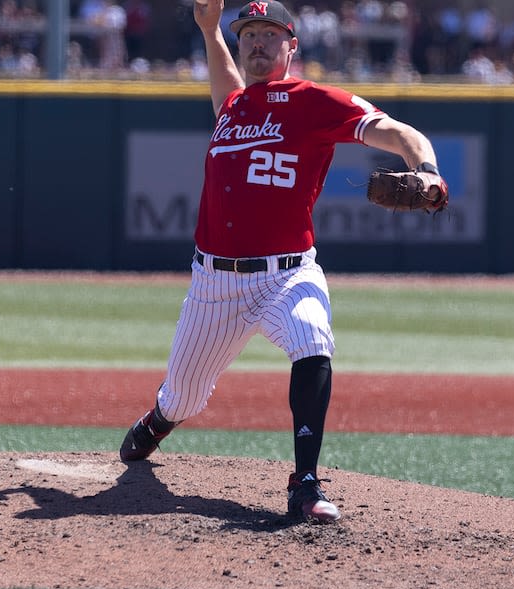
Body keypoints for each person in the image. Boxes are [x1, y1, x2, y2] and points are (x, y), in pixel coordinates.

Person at [118, 0, 446, 524]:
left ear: (292, 46)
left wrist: (426, 171)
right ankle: (160, 419)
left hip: (288, 272)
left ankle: (305, 483)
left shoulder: (313, 101)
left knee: (313, 341)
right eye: (248, 33)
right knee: (183, 399)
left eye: (270, 34)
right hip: (214, 285)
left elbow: (401, 134)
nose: (257, 42)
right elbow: (225, 85)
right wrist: (210, 29)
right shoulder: (234, 107)